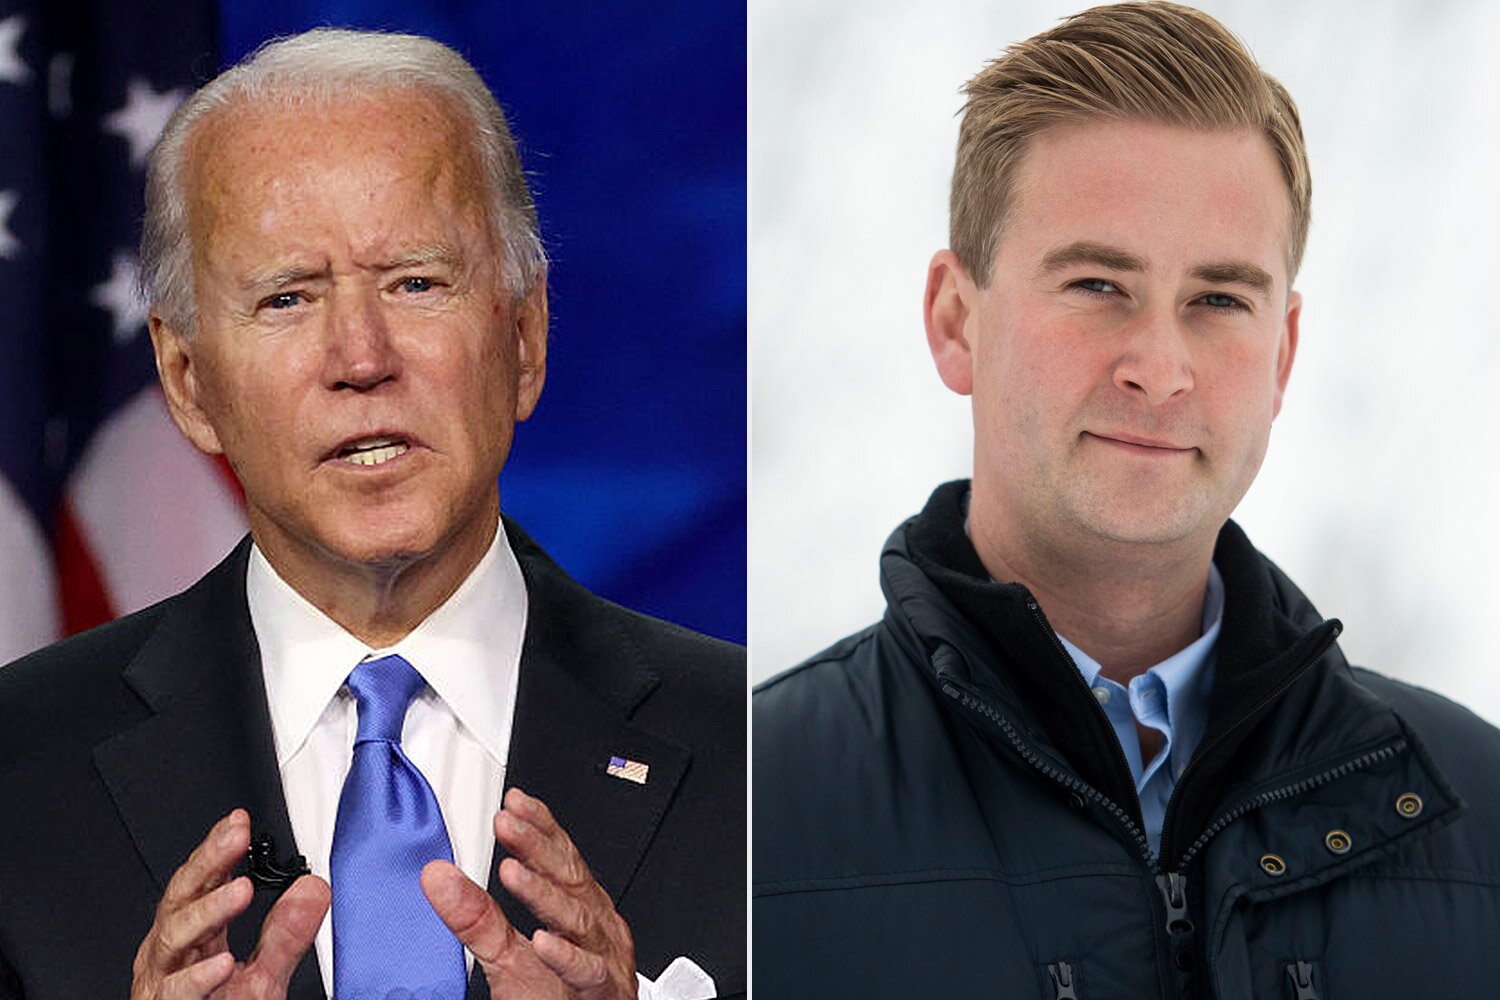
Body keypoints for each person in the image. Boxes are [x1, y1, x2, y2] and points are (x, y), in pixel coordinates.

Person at [753, 4, 1500, 997]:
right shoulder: (756, 808)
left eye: (1221, 299)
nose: (1160, 366)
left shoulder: (1477, 811)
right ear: (954, 319)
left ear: (1282, 354)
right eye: (1099, 283)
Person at [0, 29, 743, 1000]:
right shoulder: (19, 777)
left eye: (415, 282)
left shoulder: (756, 756)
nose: (360, 356)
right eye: (286, 299)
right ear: (186, 382)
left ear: (523, 339)